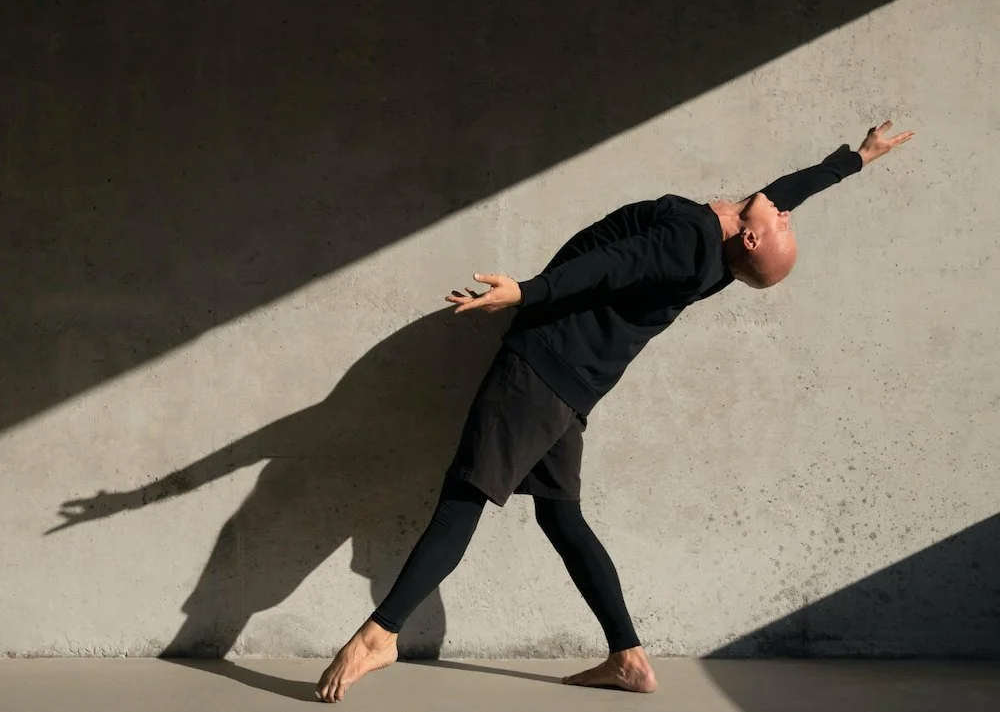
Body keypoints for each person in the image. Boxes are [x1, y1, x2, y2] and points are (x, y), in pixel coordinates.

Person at [315, 120, 915, 702]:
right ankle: (629, 659)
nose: (784, 211)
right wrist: (855, 159)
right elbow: (787, 192)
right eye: (783, 217)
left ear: (750, 239)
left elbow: (610, 266)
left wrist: (524, 291)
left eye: (779, 221)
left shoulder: (689, 245)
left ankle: (381, 634)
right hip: (573, 384)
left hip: (541, 369)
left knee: (464, 497)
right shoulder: (729, 240)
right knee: (561, 517)